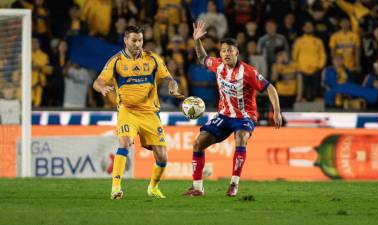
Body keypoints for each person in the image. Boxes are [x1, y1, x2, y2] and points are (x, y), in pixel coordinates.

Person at [184, 21, 282, 197]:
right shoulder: (218, 65)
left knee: (241, 137)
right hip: (224, 115)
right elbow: (202, 58)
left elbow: (270, 88)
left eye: (230, 50)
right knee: (198, 143)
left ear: (237, 52)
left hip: (245, 117)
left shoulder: (248, 72)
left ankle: (234, 184)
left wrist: (277, 111)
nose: (226, 53)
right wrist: (197, 40)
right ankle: (197, 188)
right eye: (223, 51)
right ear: (220, 53)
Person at [93, 25, 184, 199]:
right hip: (128, 111)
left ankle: (153, 187)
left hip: (150, 113)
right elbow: (97, 81)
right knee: (125, 143)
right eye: (134, 40)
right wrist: (102, 88)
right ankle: (116, 187)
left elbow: (169, 78)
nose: (138, 43)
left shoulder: (152, 59)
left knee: (163, 157)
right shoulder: (117, 61)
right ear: (126, 40)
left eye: (140, 40)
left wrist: (173, 87)